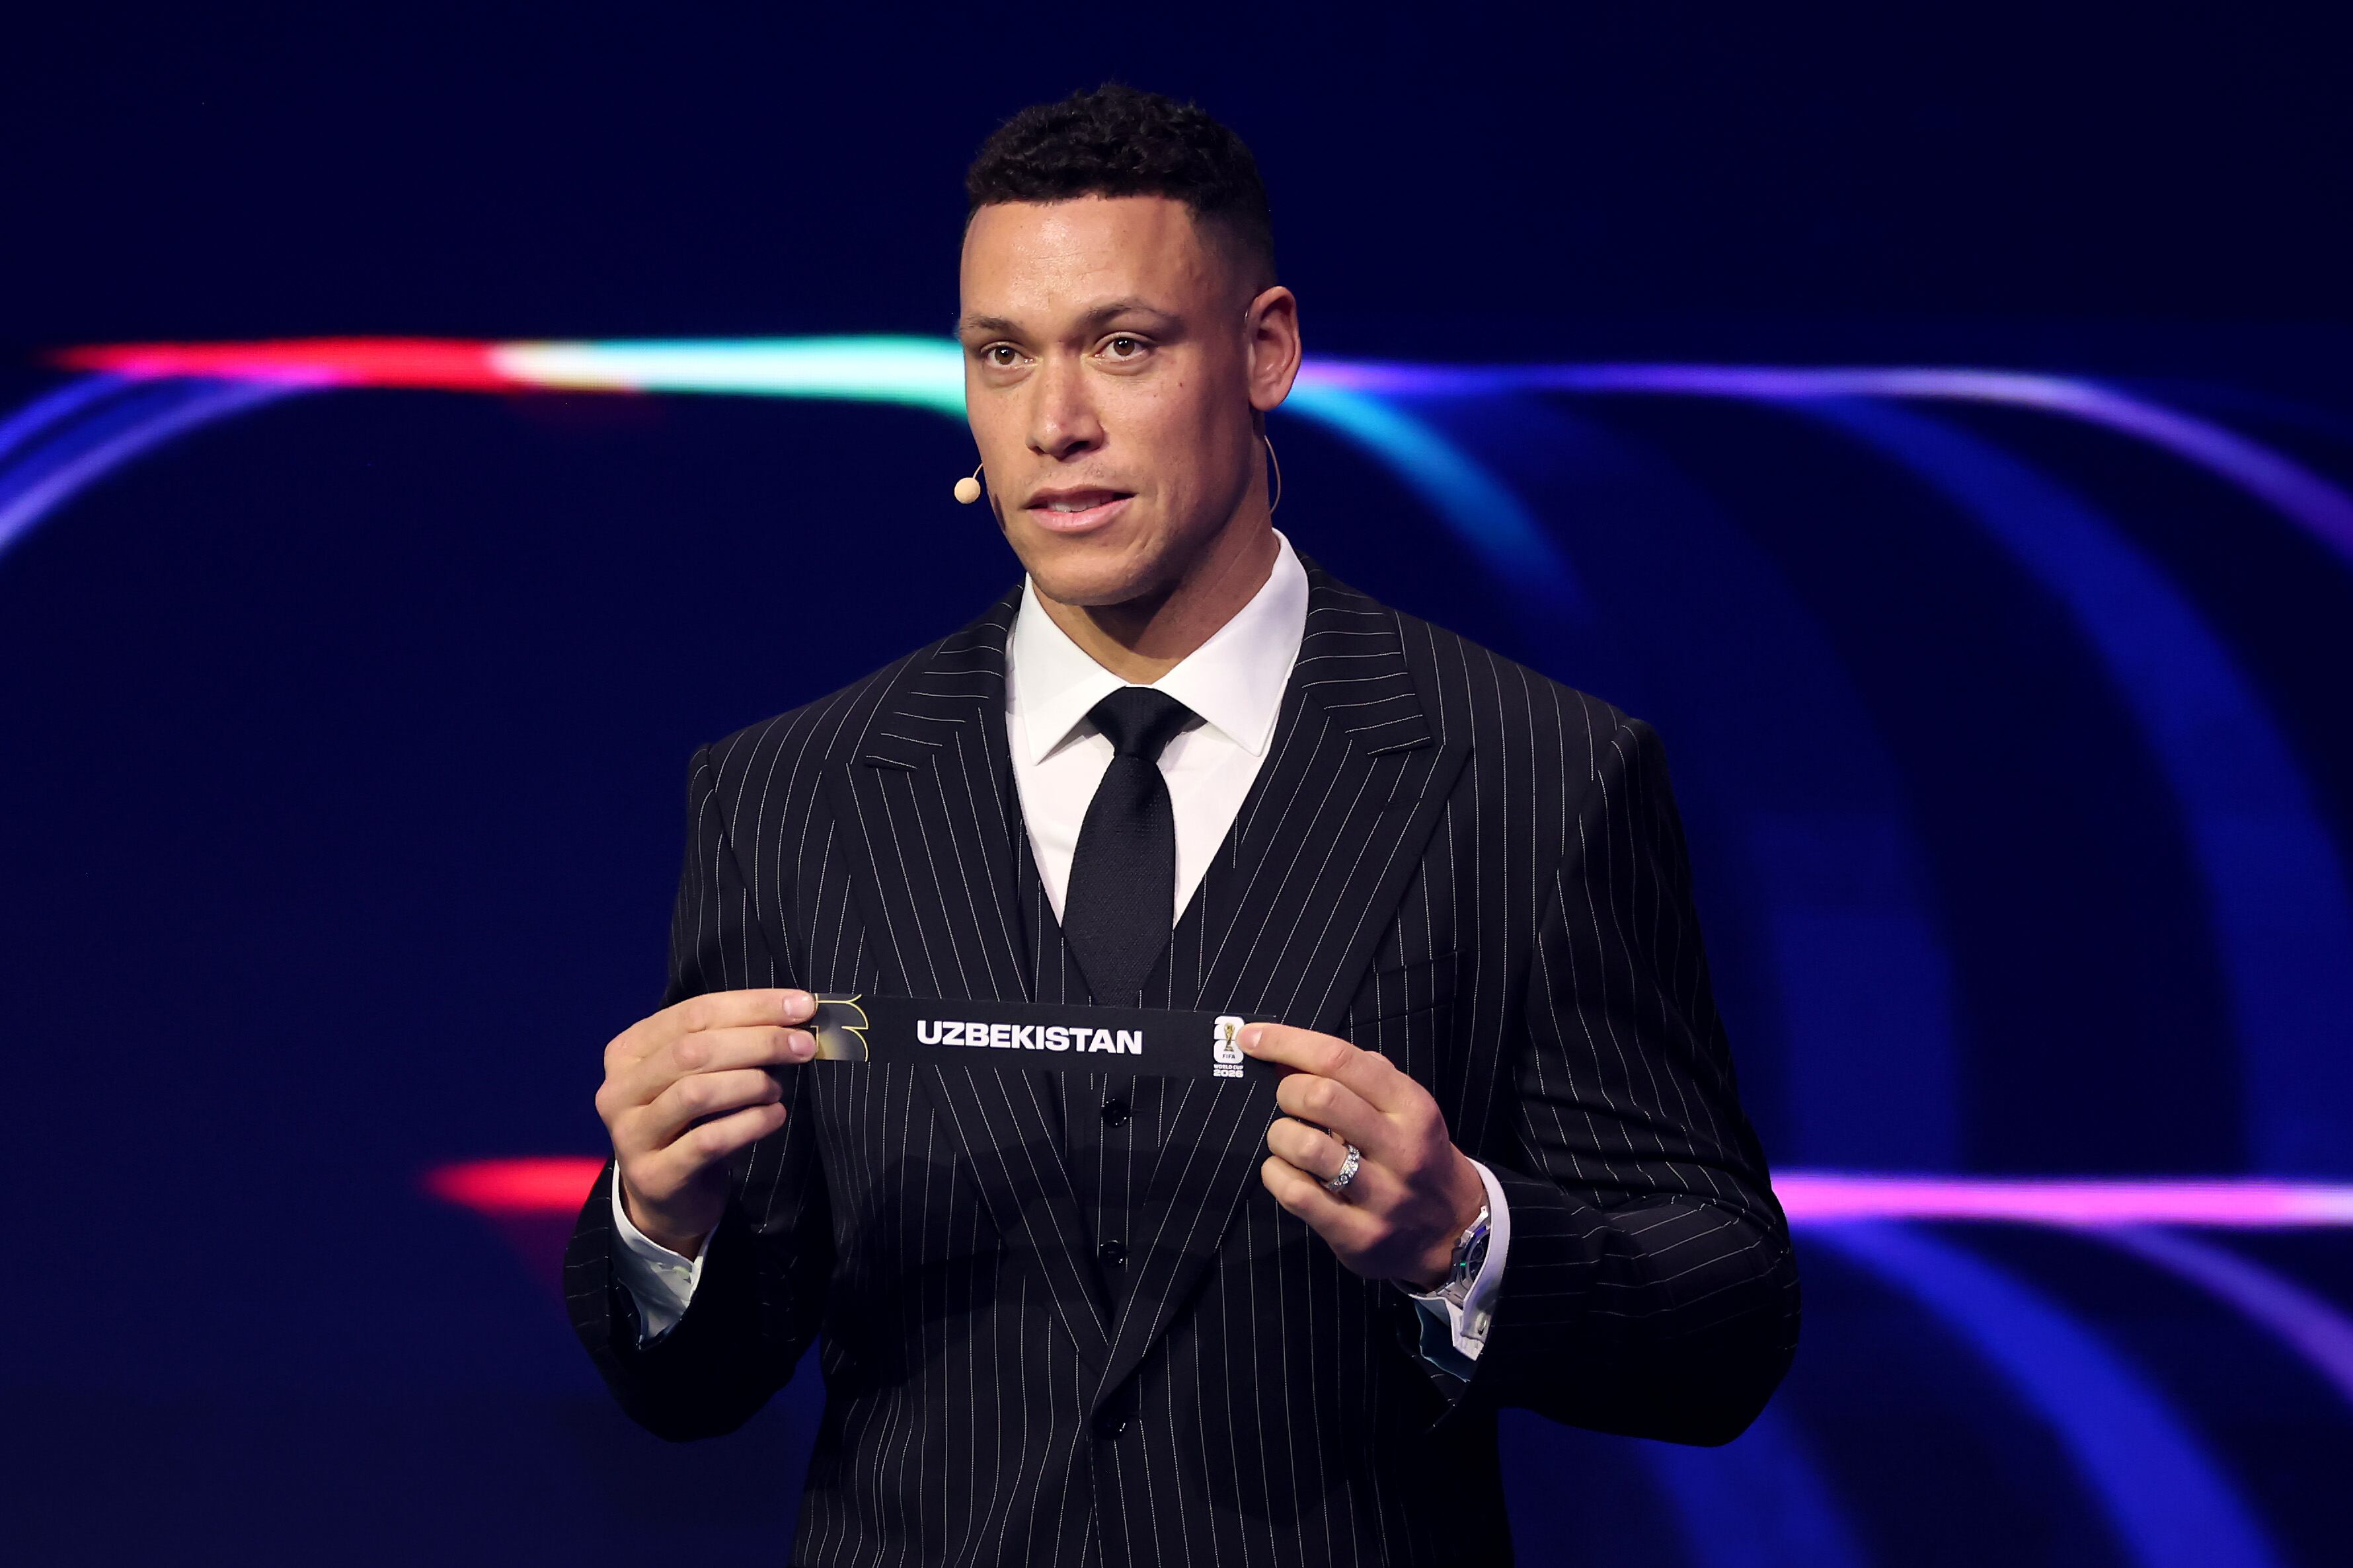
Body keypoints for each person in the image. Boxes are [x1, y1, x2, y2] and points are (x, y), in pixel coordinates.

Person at [569, 83, 1797, 1567]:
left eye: (1124, 345)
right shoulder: (792, 792)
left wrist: (1465, 1237)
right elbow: (696, 1382)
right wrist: (659, 1214)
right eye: (1001, 356)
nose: (1056, 422)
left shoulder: (1534, 770)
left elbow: (1726, 1316)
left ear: (1265, 350)